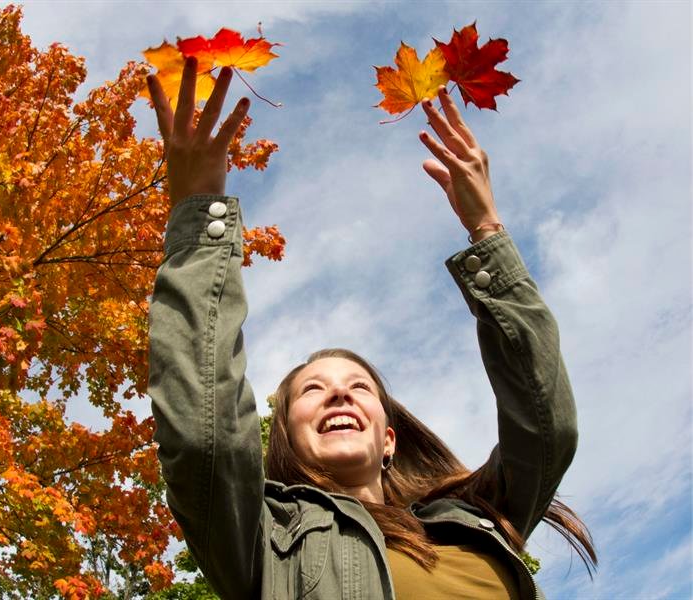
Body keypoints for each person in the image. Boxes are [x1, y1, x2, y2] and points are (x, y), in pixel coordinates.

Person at [146, 57, 595, 599]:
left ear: (389, 438)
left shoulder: (479, 518)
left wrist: (487, 230)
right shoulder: (262, 537)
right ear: (285, 436)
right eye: (312, 390)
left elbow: (548, 424)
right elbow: (203, 433)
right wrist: (199, 214)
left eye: (360, 387)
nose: (338, 391)